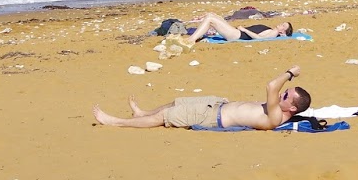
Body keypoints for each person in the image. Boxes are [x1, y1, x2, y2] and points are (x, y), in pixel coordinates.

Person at [94, 67, 310, 129]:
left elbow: (272, 86)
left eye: (286, 96)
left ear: (291, 109)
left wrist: (290, 73)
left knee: (166, 116)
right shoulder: (279, 110)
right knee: (176, 102)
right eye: (286, 91)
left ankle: (115, 122)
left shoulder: (275, 116)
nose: (283, 93)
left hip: (211, 117)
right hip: (217, 104)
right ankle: (142, 113)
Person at [184, 13, 295, 45]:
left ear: (283, 32)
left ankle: (191, 40)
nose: (281, 24)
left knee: (210, 19)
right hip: (236, 32)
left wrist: (245, 30)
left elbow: (259, 38)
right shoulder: (272, 30)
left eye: (283, 26)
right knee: (213, 15)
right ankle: (194, 36)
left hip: (237, 35)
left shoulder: (273, 33)